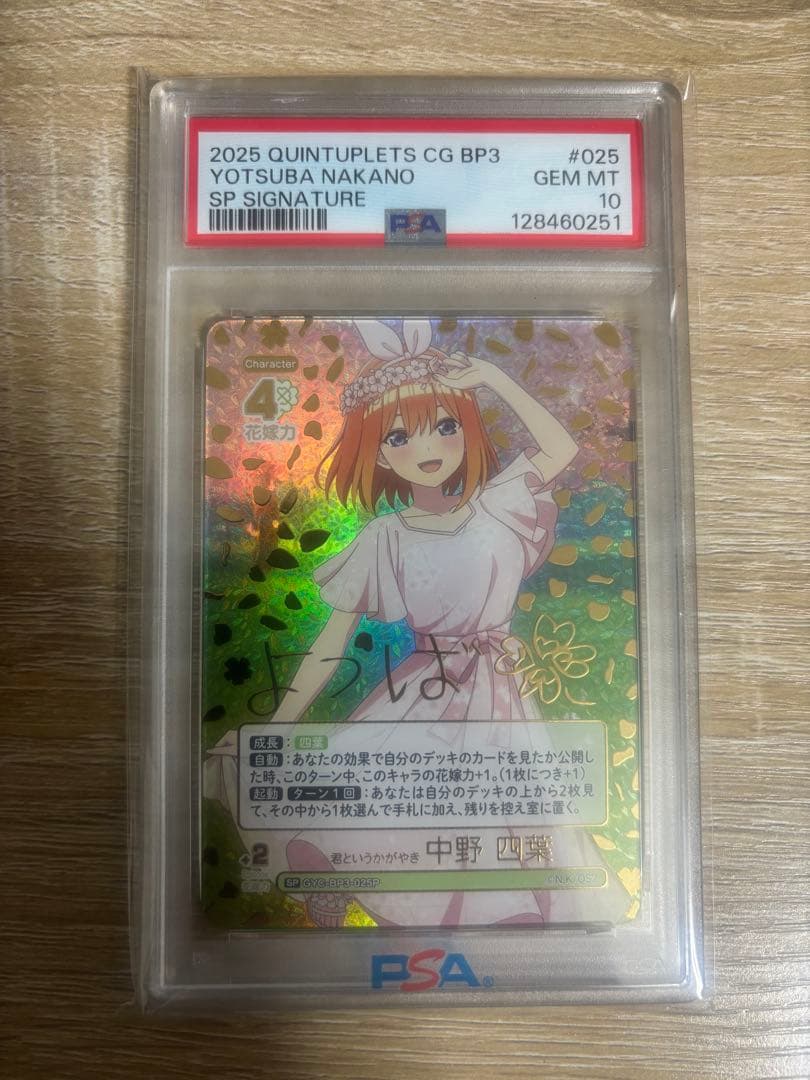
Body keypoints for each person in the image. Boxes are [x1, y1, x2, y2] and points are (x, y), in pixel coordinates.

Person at [206, 319, 628, 927]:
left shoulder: (498, 503)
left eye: (446, 426)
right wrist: (276, 727)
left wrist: (493, 376)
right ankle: (337, 874)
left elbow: (559, 449)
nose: (427, 448)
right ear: (378, 454)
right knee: (391, 794)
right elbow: (330, 643)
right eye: (399, 437)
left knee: (514, 811)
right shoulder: (386, 536)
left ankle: (500, 924)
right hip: (425, 690)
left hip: (501, 692)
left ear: (467, 430)